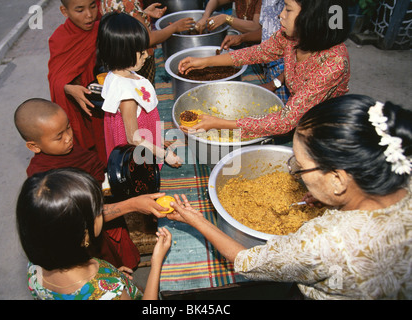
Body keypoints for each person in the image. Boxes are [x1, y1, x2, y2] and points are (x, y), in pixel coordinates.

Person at [167, 94, 412, 299]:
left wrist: (196, 220)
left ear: (337, 180)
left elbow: (248, 262)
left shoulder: (322, 241)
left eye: (301, 167)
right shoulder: (402, 176)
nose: (295, 172)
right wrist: (333, 200)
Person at [14, 98, 171, 270]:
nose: (69, 138)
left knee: (122, 259)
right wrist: (132, 204)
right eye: (59, 137)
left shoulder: (66, 151)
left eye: (68, 127)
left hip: (102, 210)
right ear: (34, 146)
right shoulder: (47, 182)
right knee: (108, 266)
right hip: (85, 240)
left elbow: (94, 170)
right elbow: (85, 218)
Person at [178, 0, 351, 141]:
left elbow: (286, 120)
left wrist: (220, 123)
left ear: (312, 18)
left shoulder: (333, 63)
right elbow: (258, 52)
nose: (280, 14)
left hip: (322, 129)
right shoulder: (291, 36)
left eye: (288, 10)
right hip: (299, 115)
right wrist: (206, 61)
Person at [17, 168, 172, 300]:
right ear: (84, 237)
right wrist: (157, 262)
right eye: (98, 209)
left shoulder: (36, 265)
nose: (102, 211)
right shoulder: (109, 293)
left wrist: (112, 273)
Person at [97, 12, 182, 168]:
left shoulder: (117, 75)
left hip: (145, 138)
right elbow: (134, 139)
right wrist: (165, 154)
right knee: (143, 173)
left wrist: (157, 138)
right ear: (122, 53)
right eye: (141, 52)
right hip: (138, 152)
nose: (146, 56)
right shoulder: (127, 96)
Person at [48, 0, 107, 165]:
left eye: (93, 6)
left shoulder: (101, 28)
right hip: (75, 102)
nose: (89, 15)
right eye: (80, 10)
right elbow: (55, 78)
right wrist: (68, 88)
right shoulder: (59, 38)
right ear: (64, 11)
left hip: (100, 97)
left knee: (105, 139)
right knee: (83, 145)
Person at [99, 0, 195, 83]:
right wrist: (174, 27)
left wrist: (142, 14)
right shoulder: (127, 2)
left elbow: (122, 22)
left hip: (124, 57)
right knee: (142, 90)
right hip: (135, 59)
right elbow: (148, 39)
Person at [220, 0, 289, 105]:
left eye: (288, 9)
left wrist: (275, 83)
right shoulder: (279, 39)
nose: (281, 15)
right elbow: (263, 43)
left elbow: (291, 115)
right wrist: (242, 38)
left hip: (282, 72)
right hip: (271, 71)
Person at [195, 0, 262, 35]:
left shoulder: (264, 2)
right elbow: (216, 1)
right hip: (243, 38)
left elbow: (255, 27)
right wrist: (205, 16)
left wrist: (226, 19)